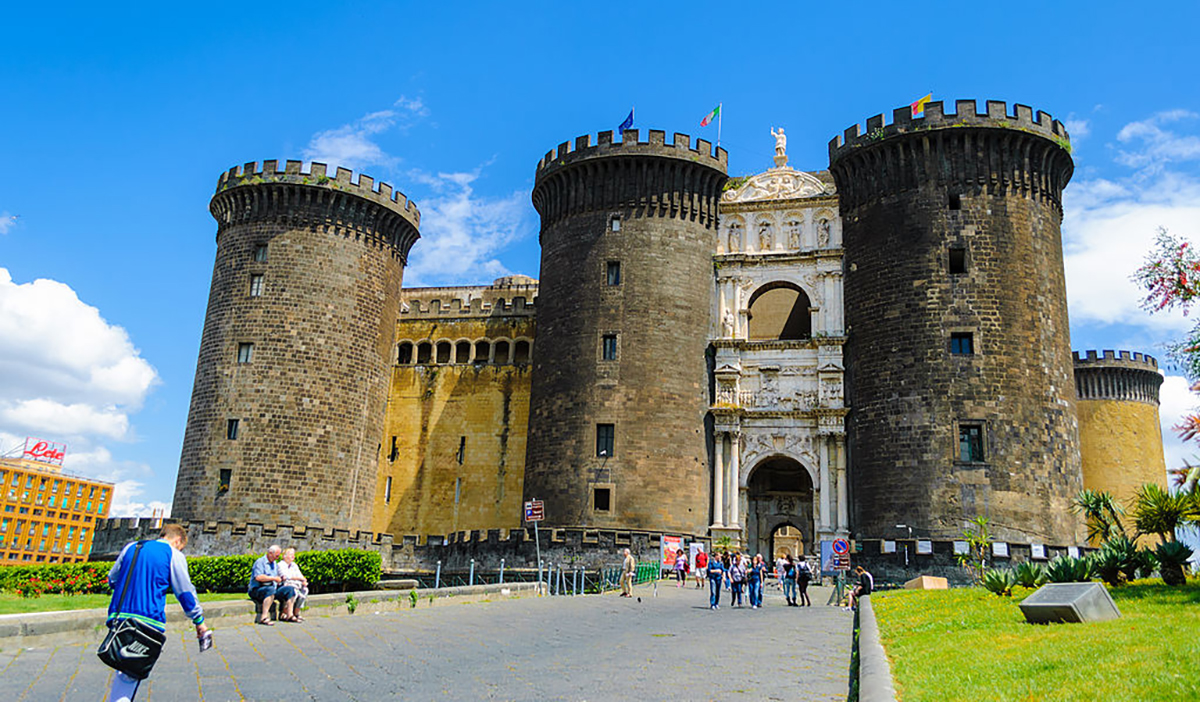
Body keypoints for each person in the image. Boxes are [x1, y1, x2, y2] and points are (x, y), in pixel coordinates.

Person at [104, 523, 207, 702]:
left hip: (118, 617)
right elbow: (184, 592)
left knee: (124, 671)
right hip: (146, 621)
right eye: (181, 546)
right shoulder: (173, 554)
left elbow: (112, 579)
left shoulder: (132, 547)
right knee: (130, 675)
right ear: (178, 540)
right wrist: (198, 620)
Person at [248, 545, 297, 624]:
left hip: (272, 588)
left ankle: (289, 614)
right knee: (270, 590)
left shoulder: (274, 563)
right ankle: (264, 617)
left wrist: (281, 579)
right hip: (258, 589)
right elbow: (258, 577)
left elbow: (276, 577)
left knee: (290, 589)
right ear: (270, 553)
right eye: (276, 556)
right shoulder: (260, 562)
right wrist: (273, 578)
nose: (277, 558)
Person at [278, 547, 309, 621]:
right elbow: (286, 576)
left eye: (294, 555)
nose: (293, 556)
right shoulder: (280, 565)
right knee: (293, 591)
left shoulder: (294, 565)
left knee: (305, 590)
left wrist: (303, 580)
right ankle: (284, 613)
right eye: (291, 554)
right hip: (285, 585)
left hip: (297, 584)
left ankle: (296, 612)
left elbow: (300, 575)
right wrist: (299, 579)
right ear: (284, 556)